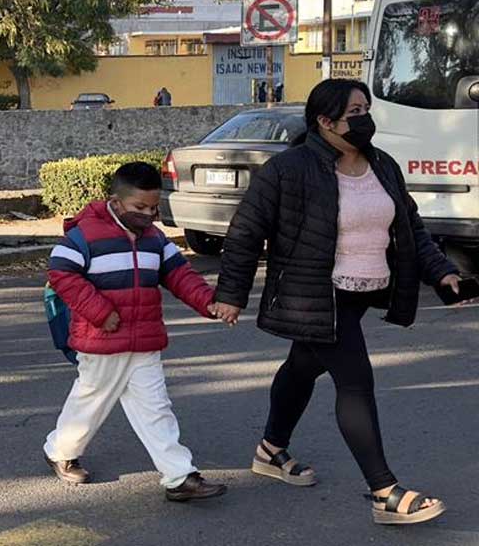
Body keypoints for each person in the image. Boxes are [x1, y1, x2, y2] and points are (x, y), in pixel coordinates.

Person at [212, 78, 462, 526]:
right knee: (355, 382)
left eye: (366, 108)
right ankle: (384, 492)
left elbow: (410, 225)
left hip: (361, 293)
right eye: (354, 112)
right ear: (325, 122)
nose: (364, 118)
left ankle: (270, 449)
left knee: (301, 368)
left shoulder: (382, 164)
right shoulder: (289, 169)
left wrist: (441, 270)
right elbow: (246, 232)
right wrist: (231, 295)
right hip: (312, 294)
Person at [43, 162, 229, 502]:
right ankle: (60, 450)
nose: (148, 214)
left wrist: (209, 303)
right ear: (116, 202)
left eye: (153, 207)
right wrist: (101, 313)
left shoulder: (155, 240)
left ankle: (179, 476)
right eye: (139, 208)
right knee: (91, 402)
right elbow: (61, 272)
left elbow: (180, 275)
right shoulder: (84, 235)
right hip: (102, 341)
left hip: (144, 341)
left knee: (156, 407)